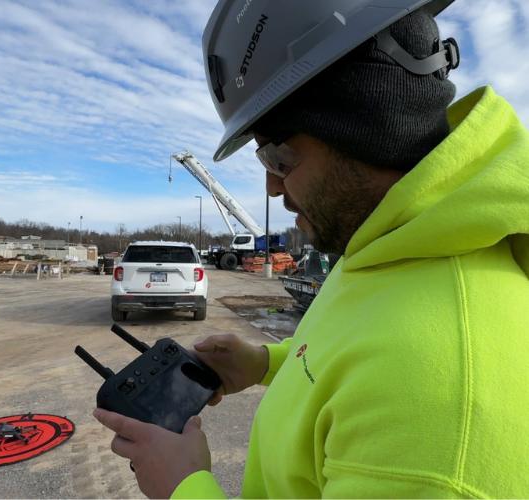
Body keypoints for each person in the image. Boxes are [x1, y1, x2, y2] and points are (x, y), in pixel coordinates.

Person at [95, 0, 529, 497]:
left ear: (365, 123)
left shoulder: (443, 411)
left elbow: (394, 375)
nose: (273, 189)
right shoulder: (388, 245)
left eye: (277, 155)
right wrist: (266, 364)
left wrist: (183, 487)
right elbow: (356, 355)